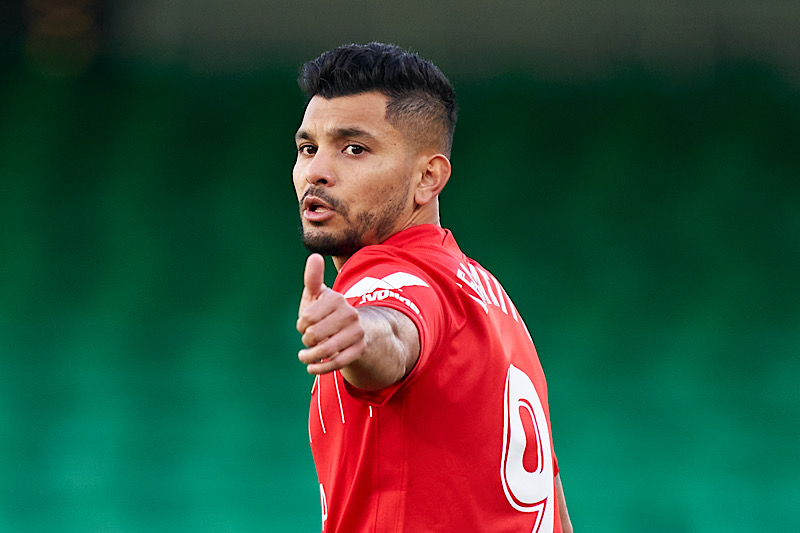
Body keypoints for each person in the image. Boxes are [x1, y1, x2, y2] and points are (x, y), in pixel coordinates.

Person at [293, 42, 572, 533]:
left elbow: (394, 330)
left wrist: (359, 332)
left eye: (354, 148)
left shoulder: (390, 276)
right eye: (307, 148)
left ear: (428, 177)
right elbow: (555, 513)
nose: (316, 171)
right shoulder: (494, 302)